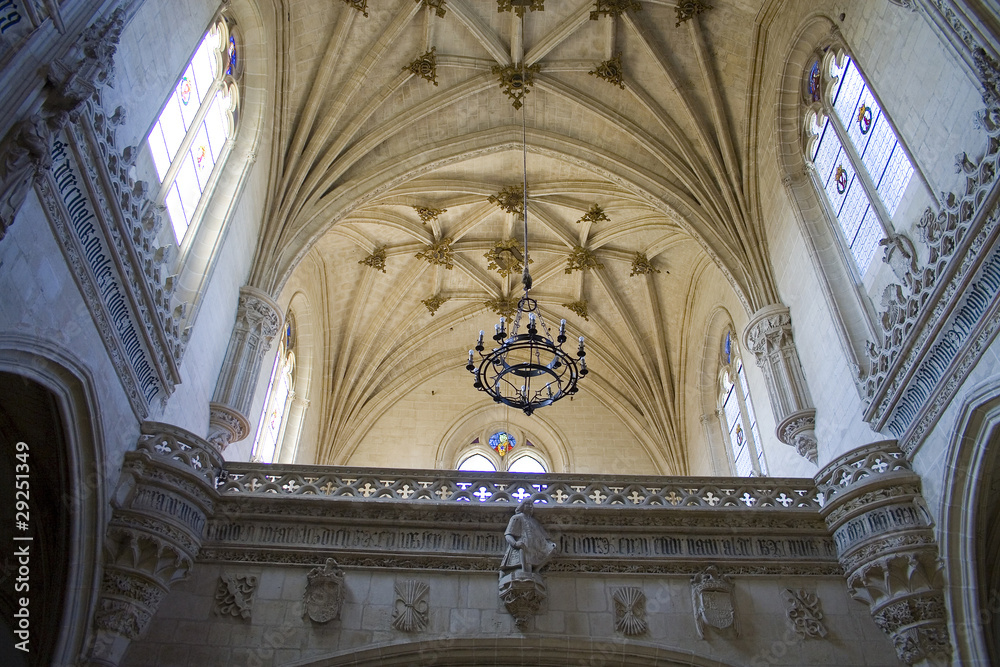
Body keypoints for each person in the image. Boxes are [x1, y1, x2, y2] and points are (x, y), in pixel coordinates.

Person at [500, 500, 556, 578]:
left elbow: (544, 536)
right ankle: (524, 571)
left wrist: (550, 543)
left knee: (552, 550)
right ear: (522, 506)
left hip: (536, 546)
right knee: (525, 546)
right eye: (527, 504)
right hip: (524, 545)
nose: (530, 506)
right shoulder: (517, 517)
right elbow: (508, 534)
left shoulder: (534, 521)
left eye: (531, 505)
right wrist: (515, 543)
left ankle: (536, 569)